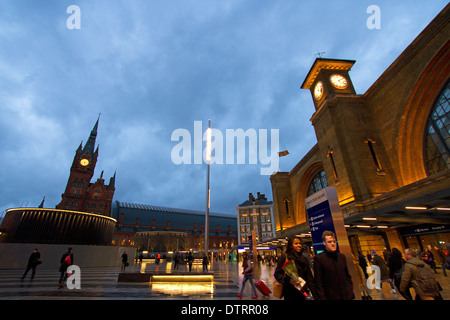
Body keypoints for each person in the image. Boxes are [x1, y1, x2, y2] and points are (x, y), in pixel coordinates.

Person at [314, 231, 354, 300]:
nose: (332, 244)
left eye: (334, 241)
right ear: (324, 243)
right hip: (330, 296)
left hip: (346, 296)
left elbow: (347, 276)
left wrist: (350, 292)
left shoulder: (342, 257)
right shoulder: (319, 259)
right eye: (329, 242)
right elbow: (318, 282)